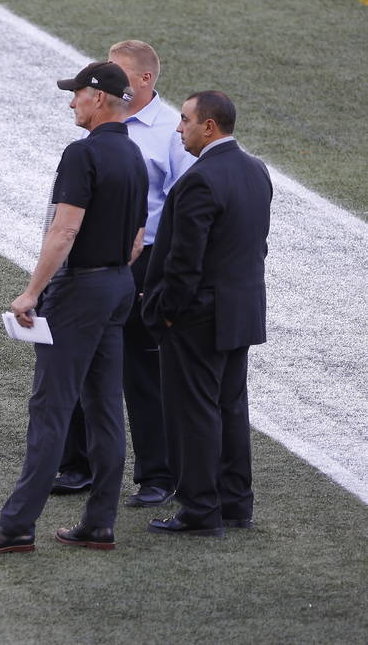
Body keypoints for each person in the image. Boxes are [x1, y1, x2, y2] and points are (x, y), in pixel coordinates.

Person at [0, 62, 147, 553]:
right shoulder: (136, 157)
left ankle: (17, 525)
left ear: (98, 98)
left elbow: (64, 230)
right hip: (119, 286)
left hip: (81, 292)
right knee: (105, 409)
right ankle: (99, 522)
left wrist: (31, 292)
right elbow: (137, 242)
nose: (71, 102)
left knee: (50, 408)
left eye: (77, 94)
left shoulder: (82, 155)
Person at [52, 42, 196, 508]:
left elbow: (185, 205)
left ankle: (157, 474)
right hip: (97, 256)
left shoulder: (172, 132)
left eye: (119, 70)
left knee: (142, 369)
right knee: (78, 358)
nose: (109, 76)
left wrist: (164, 272)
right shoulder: (101, 128)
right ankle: (78, 465)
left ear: (146, 80)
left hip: (148, 259)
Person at [142, 91, 272, 536]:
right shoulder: (257, 170)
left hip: (199, 317)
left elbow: (185, 261)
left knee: (195, 412)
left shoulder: (200, 179)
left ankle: (200, 509)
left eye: (185, 120)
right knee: (231, 408)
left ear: (209, 127)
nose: (179, 129)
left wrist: (168, 312)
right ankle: (236, 506)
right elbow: (257, 245)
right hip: (241, 311)